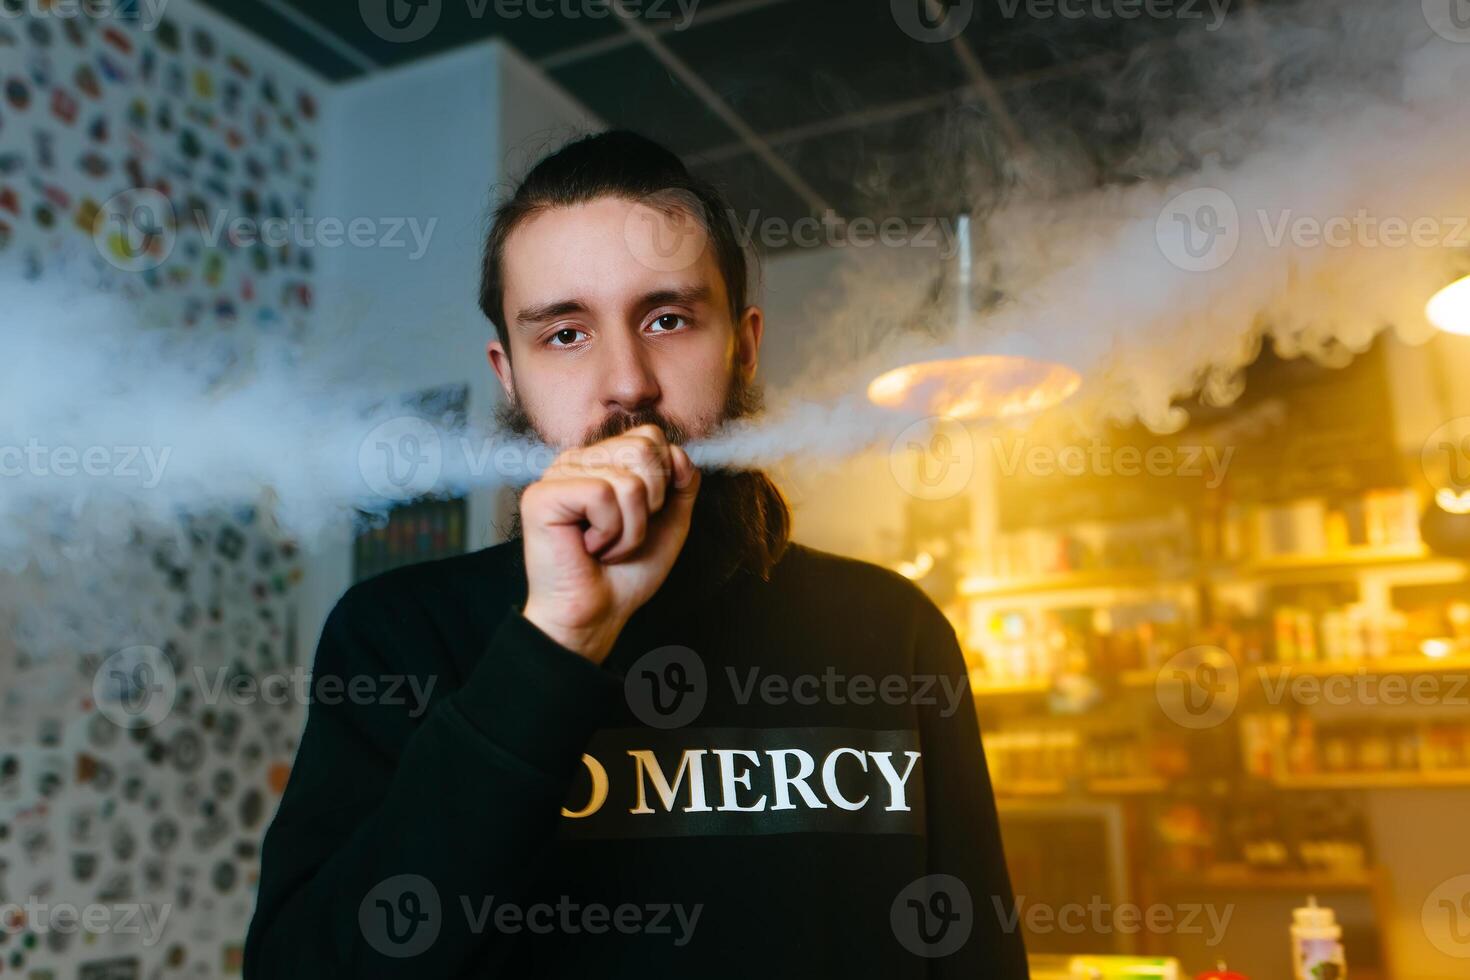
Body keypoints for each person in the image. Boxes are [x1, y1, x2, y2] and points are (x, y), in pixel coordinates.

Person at [244, 130, 1028, 978]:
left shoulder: (893, 630)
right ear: (509, 375)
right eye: (566, 335)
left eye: (668, 319)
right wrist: (551, 649)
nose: (628, 383)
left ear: (745, 344)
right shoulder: (392, 637)